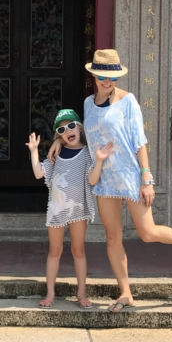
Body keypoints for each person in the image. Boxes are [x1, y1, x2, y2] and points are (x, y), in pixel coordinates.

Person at [50, 49, 172, 312]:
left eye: (113, 78)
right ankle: (125, 292)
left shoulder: (128, 101)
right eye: (103, 77)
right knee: (112, 237)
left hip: (129, 176)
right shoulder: (87, 104)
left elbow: (139, 142)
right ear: (94, 76)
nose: (108, 82)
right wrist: (57, 144)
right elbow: (85, 137)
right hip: (104, 179)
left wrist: (146, 178)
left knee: (147, 232)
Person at [26, 109, 113, 309]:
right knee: (54, 251)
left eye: (72, 125)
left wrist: (99, 160)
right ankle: (50, 293)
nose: (68, 131)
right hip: (57, 210)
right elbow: (39, 173)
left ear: (80, 127)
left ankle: (81, 293)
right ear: (58, 134)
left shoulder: (87, 152)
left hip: (78, 209)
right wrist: (33, 151)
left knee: (78, 250)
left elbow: (92, 179)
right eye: (62, 129)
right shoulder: (55, 154)